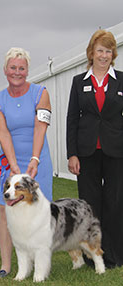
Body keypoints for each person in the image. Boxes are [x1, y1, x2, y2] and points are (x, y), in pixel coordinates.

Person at [0, 47, 53, 278]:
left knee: (41, 213)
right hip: (9, 164)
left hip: (39, 160)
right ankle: (6, 265)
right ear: (5, 70)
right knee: (6, 213)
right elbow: (3, 133)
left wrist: (34, 159)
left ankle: (39, 263)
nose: (17, 72)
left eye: (22, 68)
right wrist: (14, 165)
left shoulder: (41, 93)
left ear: (27, 70)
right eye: (13, 67)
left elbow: (40, 127)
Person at [66, 29, 123, 268]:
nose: (104, 55)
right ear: (91, 53)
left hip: (116, 151)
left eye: (108, 50)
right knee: (90, 206)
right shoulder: (79, 82)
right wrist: (72, 154)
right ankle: (93, 256)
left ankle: (115, 255)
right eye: (100, 50)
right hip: (86, 152)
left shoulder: (121, 80)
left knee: (115, 203)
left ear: (113, 54)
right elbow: (72, 120)